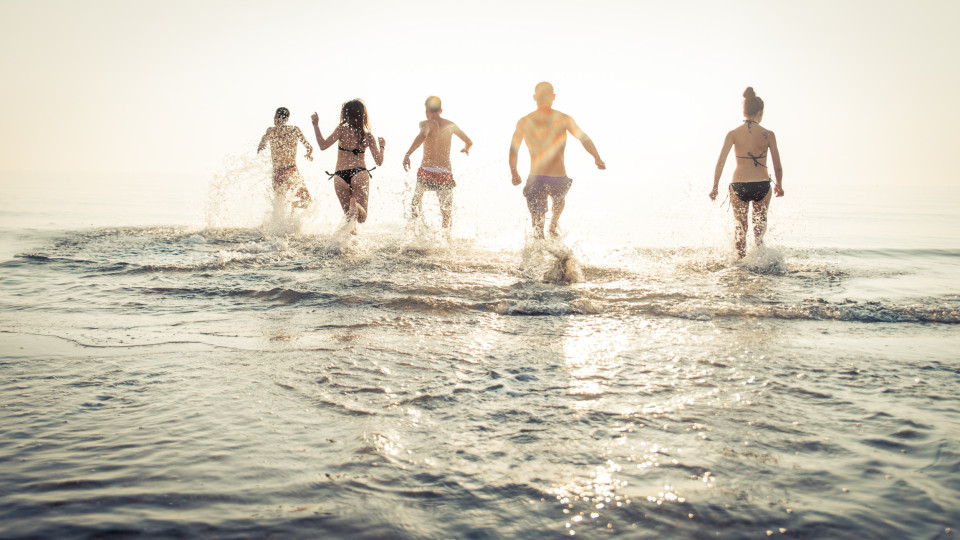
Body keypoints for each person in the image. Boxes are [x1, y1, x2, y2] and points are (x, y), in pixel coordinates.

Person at [509, 82, 605, 238]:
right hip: (558, 178)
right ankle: (553, 226)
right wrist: (597, 157)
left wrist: (514, 172)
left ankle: (545, 238)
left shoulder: (525, 121)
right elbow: (584, 138)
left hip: (537, 178)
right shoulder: (562, 119)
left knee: (538, 227)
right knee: (557, 203)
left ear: (535, 98)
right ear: (553, 97)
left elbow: (514, 149)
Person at [710, 87, 784, 258]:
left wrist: (715, 187)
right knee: (759, 230)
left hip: (739, 186)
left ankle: (740, 263)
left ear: (744, 110)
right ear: (760, 112)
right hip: (762, 186)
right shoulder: (768, 134)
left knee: (740, 228)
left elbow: (720, 162)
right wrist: (779, 185)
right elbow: (777, 165)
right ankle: (759, 260)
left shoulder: (733, 134)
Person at [402, 96, 473, 230]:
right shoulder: (451, 125)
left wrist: (408, 154)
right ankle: (445, 240)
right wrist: (466, 148)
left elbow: (423, 135)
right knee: (446, 211)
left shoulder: (426, 123)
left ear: (427, 110)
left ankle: (416, 234)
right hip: (445, 173)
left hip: (427, 171)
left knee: (415, 203)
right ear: (441, 110)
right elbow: (469, 141)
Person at [311, 99, 385, 223]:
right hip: (360, 173)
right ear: (362, 115)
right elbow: (379, 161)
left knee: (349, 218)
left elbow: (323, 145)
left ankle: (352, 221)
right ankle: (357, 208)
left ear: (345, 114)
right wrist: (382, 146)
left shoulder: (341, 129)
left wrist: (316, 125)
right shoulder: (368, 136)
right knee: (362, 218)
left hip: (340, 176)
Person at [257, 107, 314, 208]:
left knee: (279, 206)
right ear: (287, 119)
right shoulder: (294, 130)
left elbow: (261, 145)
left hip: (277, 173)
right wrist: (309, 154)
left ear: (275, 117)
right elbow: (309, 147)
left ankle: (279, 222)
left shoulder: (271, 131)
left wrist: (261, 148)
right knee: (307, 202)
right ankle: (294, 206)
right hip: (292, 172)